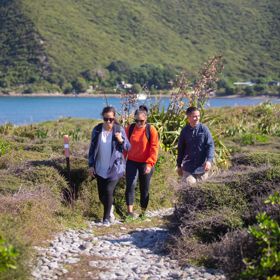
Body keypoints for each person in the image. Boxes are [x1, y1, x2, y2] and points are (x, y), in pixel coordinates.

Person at [88, 106, 130, 225]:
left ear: (114, 118)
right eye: (106, 119)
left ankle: (106, 219)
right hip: (100, 167)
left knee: (108, 190)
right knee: (101, 195)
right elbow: (92, 149)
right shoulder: (97, 130)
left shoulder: (119, 130)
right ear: (103, 117)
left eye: (111, 119)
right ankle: (110, 209)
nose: (108, 122)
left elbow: (128, 147)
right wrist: (91, 165)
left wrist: (120, 140)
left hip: (115, 167)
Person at [125, 106, 159, 219]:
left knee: (144, 188)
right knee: (130, 185)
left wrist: (150, 164)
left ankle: (143, 213)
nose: (139, 123)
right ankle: (129, 212)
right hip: (131, 162)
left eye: (142, 121)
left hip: (146, 163)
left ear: (146, 119)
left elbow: (154, 148)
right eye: (137, 120)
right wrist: (121, 160)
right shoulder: (129, 128)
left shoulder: (151, 130)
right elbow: (124, 146)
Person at [177, 106, 215, 185]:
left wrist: (209, 161)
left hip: (202, 168)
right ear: (188, 117)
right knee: (190, 184)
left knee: (202, 190)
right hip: (188, 168)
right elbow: (181, 149)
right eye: (194, 116)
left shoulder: (204, 129)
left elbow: (210, 145)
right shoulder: (184, 131)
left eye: (198, 116)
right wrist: (179, 166)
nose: (197, 118)